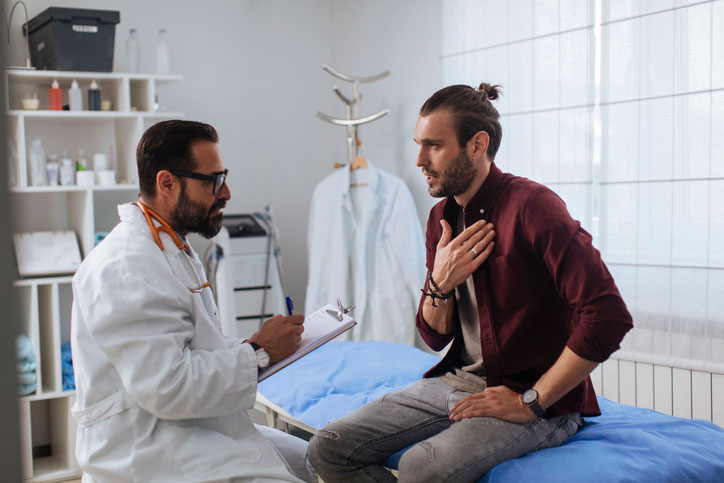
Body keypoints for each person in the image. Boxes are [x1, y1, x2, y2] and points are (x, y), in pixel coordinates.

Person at [307, 83, 633, 482]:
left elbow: (608, 315)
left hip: (536, 399)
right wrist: (440, 282)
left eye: (433, 146)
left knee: (420, 466)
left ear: (477, 145)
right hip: (457, 381)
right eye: (418, 145)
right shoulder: (439, 219)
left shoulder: (533, 207)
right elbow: (434, 337)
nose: (419, 160)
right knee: (328, 447)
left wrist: (530, 401)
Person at [71, 120, 316, 482]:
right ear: (167, 183)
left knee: (317, 459)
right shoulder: (127, 267)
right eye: (213, 180)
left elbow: (194, 347)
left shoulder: (172, 247)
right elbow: (167, 388)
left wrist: (255, 346)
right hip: (149, 445)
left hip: (194, 424)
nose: (227, 192)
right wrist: (259, 352)